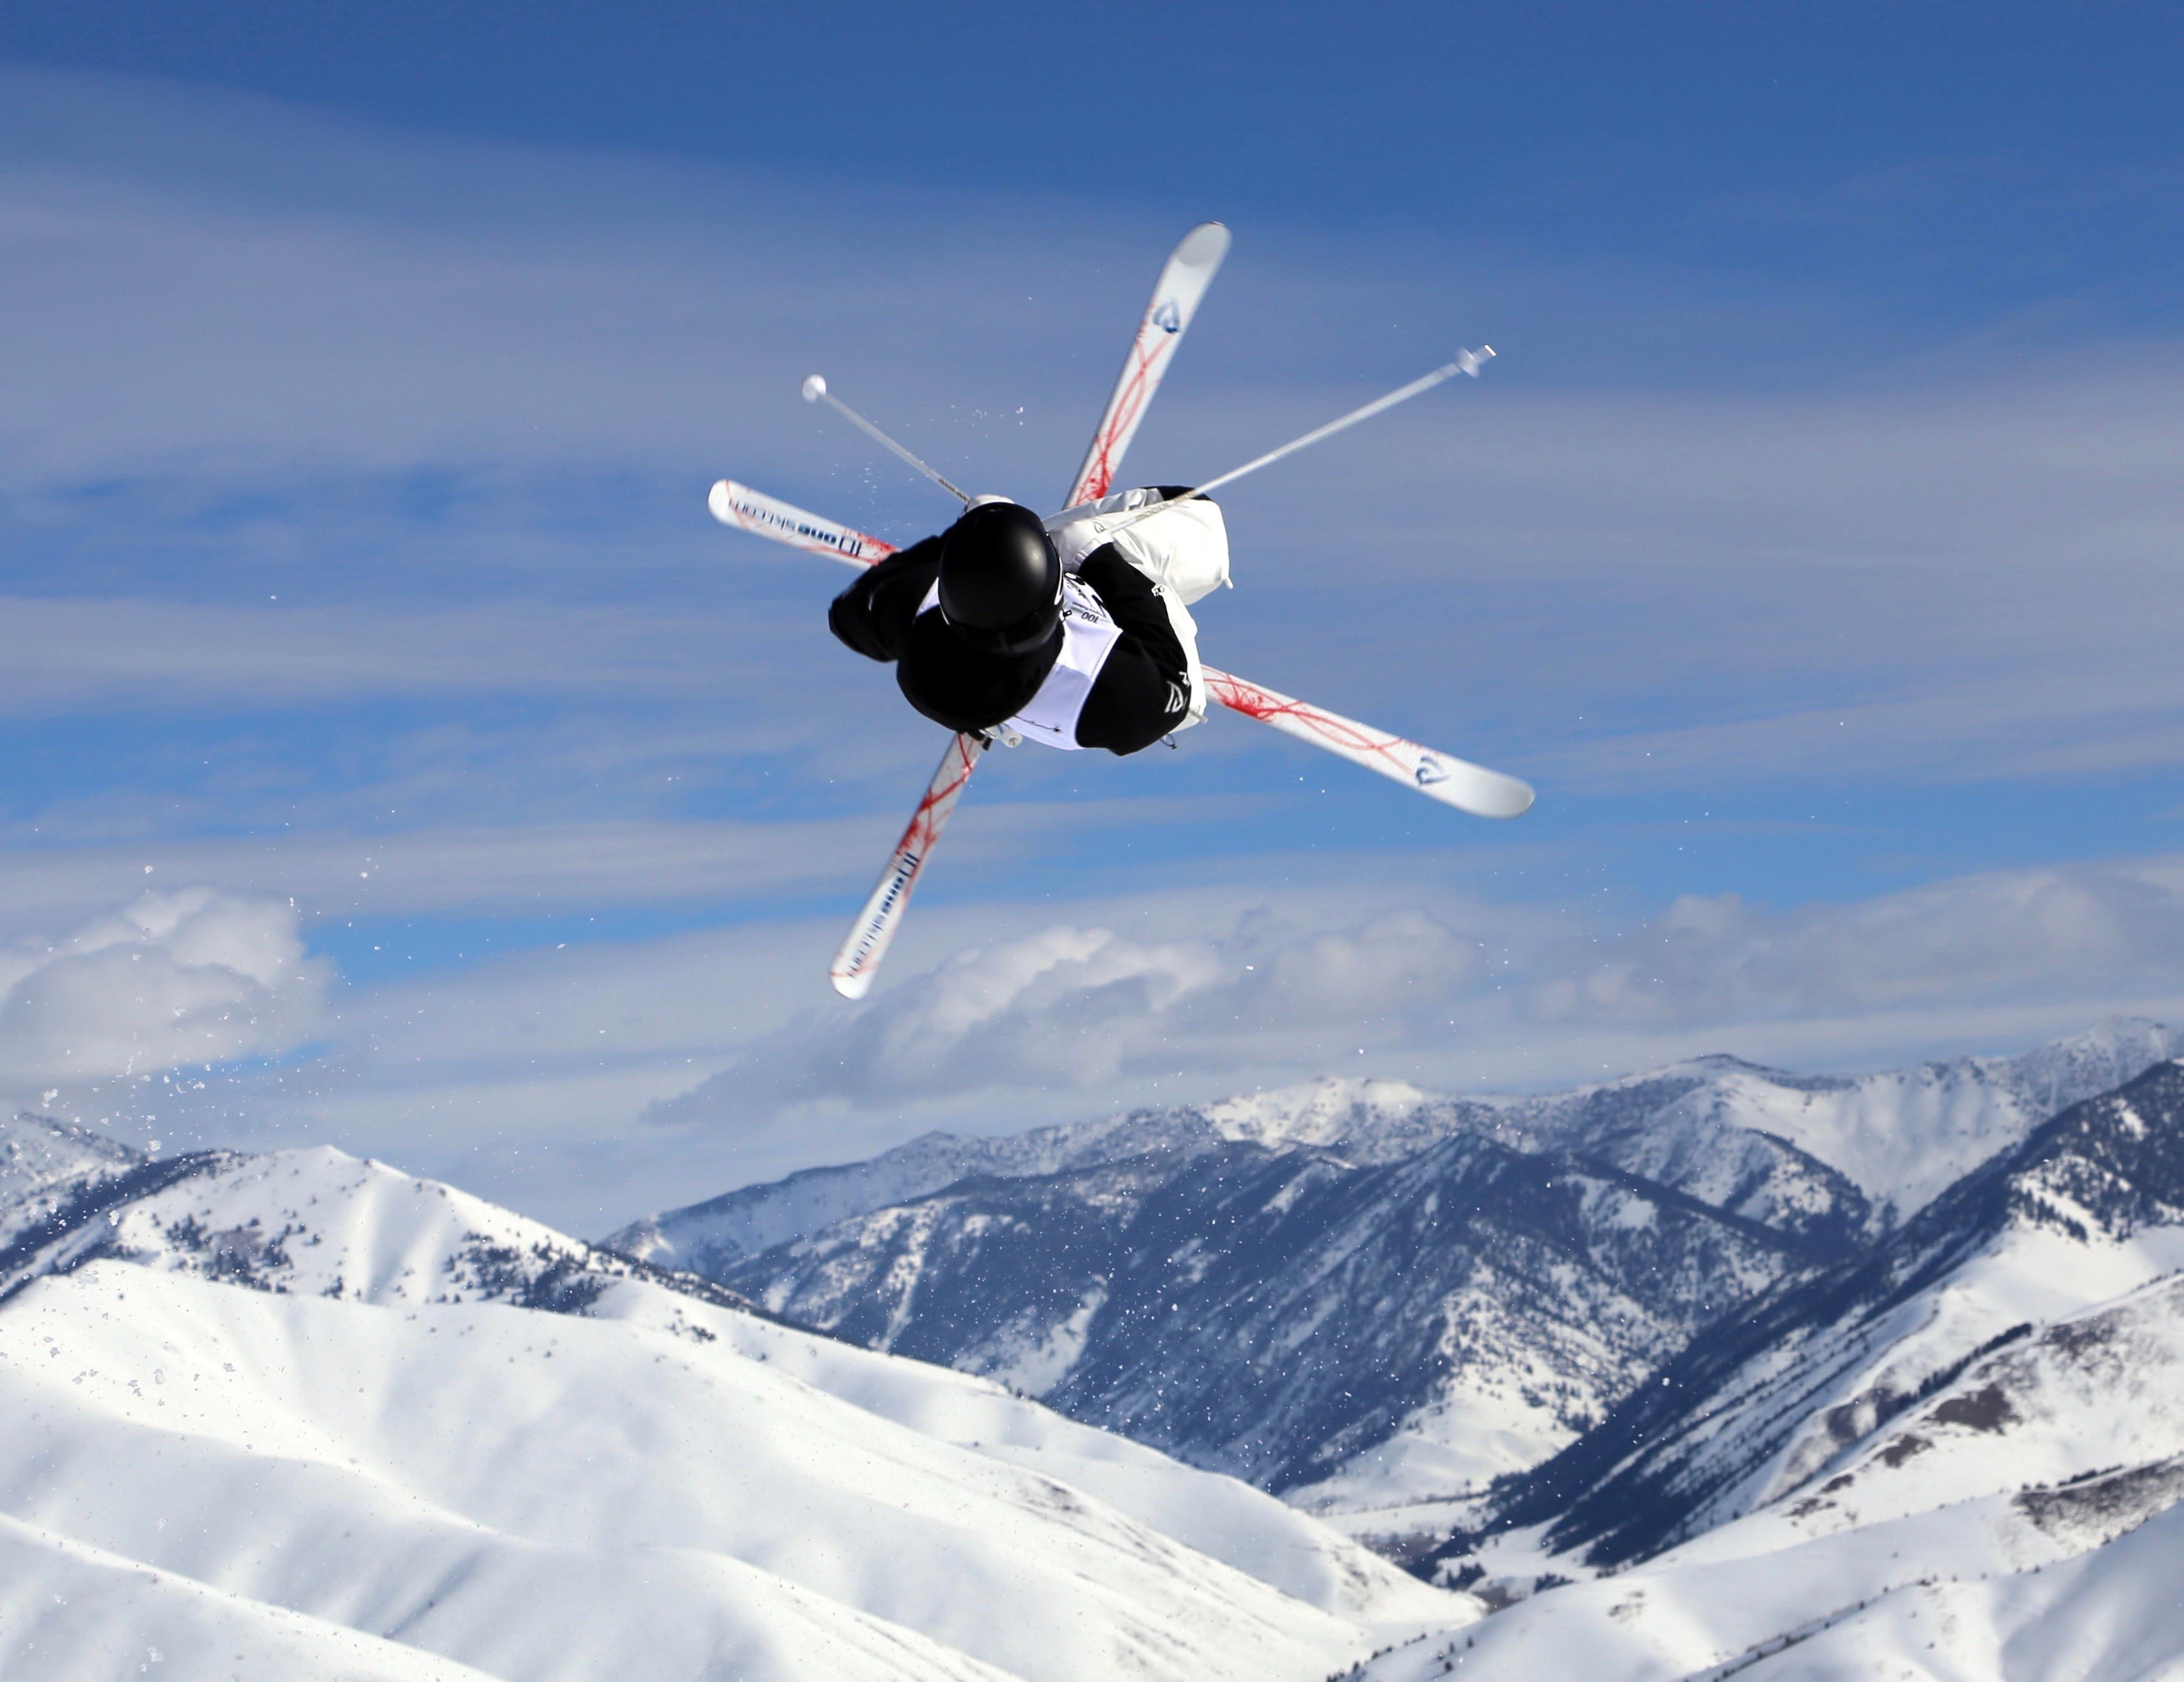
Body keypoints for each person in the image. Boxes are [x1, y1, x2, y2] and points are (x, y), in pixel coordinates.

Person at [827, 489, 1230, 754]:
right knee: (1190, 515)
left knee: (1027, 536)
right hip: (1153, 683)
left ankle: (1030, 547)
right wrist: (1099, 559)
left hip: (995, 686)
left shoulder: (914, 608)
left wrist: (977, 530)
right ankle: (1083, 556)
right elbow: (1174, 694)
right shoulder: (1108, 684)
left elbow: (848, 618)